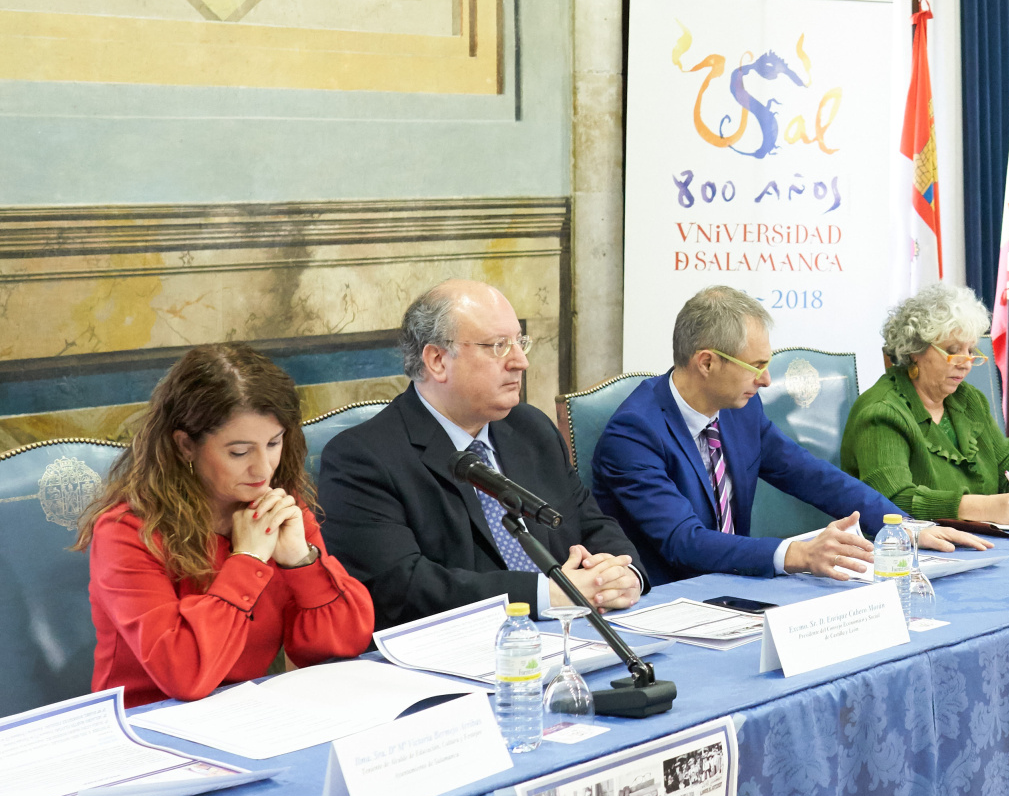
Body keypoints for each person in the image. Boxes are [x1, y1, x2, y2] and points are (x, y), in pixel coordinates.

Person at [592, 285, 986, 584]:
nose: (765, 380)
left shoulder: (740, 412)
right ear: (707, 363)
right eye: (756, 366)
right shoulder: (634, 434)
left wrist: (902, 526)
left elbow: (811, 475)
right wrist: (797, 554)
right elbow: (684, 541)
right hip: (672, 603)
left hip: (736, 587)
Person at [319, 280, 643, 632]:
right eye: (499, 346)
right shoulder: (362, 458)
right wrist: (548, 595)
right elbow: (402, 586)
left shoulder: (531, 428)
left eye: (519, 342)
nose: (521, 361)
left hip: (571, 635)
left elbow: (590, 523)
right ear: (438, 361)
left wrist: (622, 573)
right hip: (454, 657)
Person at [78, 344, 373, 706]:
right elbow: (184, 675)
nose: (263, 468)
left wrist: (301, 562)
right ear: (185, 445)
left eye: (273, 443)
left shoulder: (275, 503)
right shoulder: (126, 532)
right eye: (239, 452)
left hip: (244, 713)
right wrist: (247, 560)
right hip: (146, 727)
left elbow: (342, 644)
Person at [842, 284, 1009, 523]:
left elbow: (1007, 464)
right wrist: (982, 508)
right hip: (912, 552)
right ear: (915, 350)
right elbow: (891, 501)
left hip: (979, 542)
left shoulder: (968, 399)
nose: (966, 363)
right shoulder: (881, 412)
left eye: (970, 350)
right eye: (952, 351)